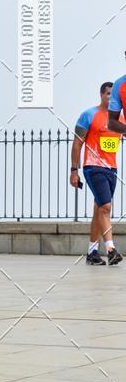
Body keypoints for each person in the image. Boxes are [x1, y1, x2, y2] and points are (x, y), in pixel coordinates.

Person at [71, 82, 123, 265]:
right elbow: (77, 143)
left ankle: (92, 253)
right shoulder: (89, 115)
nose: (111, 97)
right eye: (109, 94)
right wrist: (74, 171)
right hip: (93, 168)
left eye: (114, 95)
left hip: (111, 168)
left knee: (99, 209)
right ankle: (111, 249)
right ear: (101, 94)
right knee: (106, 207)